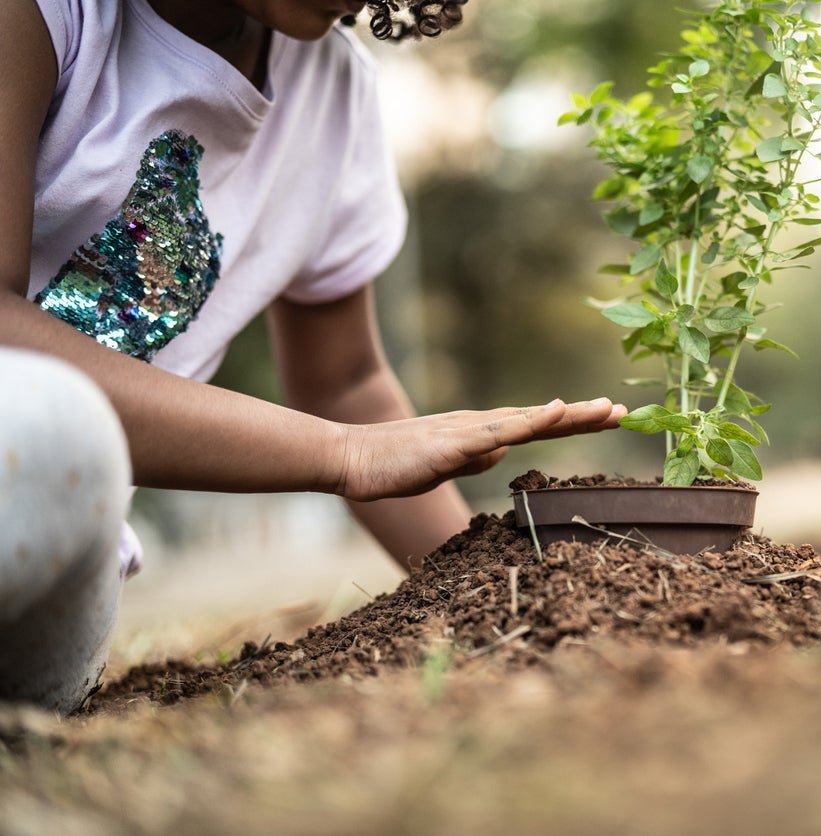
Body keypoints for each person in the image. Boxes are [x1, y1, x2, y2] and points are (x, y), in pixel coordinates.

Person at [0, 0, 627, 714]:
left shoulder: (333, 92)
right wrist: (343, 455)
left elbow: (346, 382)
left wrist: (511, 587)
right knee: (48, 419)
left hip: (44, 587)